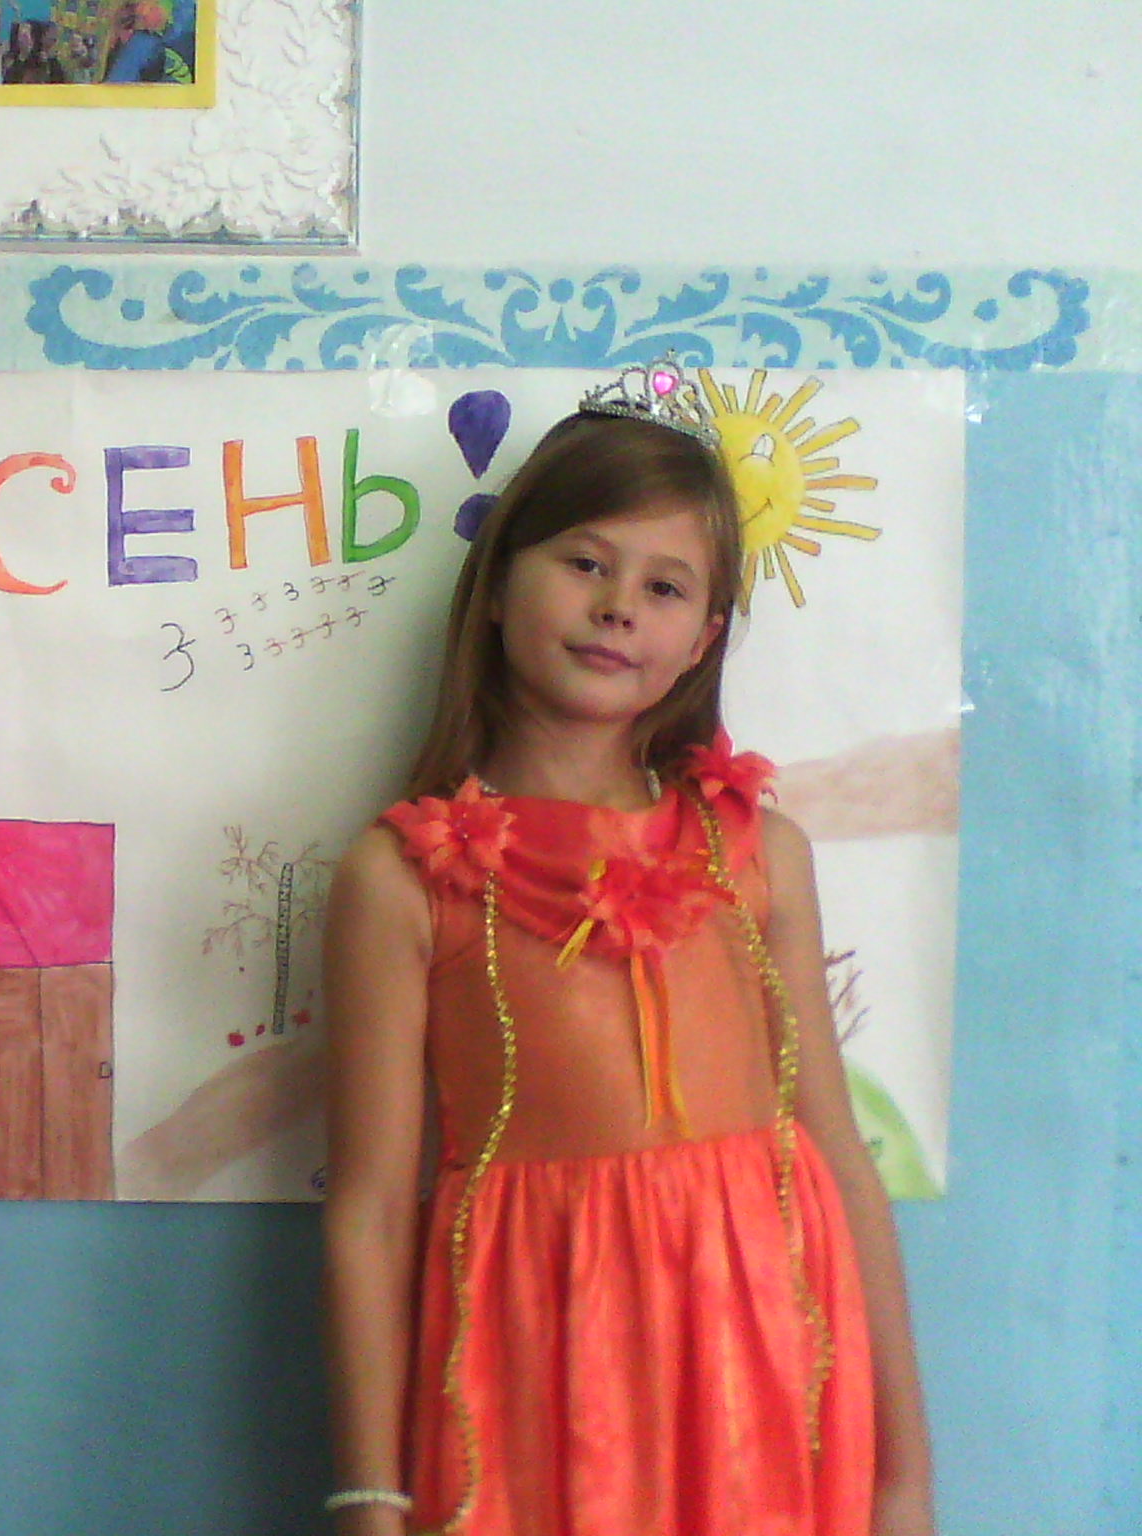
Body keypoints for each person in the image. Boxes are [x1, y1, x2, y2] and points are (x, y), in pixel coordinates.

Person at [320, 361, 933, 1536]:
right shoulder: (401, 879)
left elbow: (836, 1158)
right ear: (494, 586)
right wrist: (367, 1497)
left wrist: (901, 1473)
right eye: (583, 563)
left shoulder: (759, 856)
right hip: (533, 1381)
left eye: (662, 586)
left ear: (702, 640)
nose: (616, 607)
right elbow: (368, 1211)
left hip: (767, 1386)